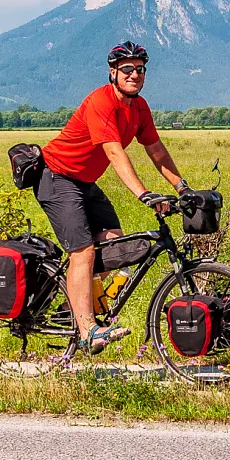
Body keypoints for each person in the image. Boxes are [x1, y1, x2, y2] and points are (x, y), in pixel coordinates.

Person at [36, 40, 190, 354]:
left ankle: (71, 310)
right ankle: (87, 330)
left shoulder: (140, 107)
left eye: (140, 69)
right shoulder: (101, 102)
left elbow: (156, 151)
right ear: (113, 73)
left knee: (113, 242)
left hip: (85, 182)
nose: (135, 74)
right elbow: (114, 153)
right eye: (128, 69)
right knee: (83, 251)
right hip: (56, 177)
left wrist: (183, 188)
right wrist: (144, 194)